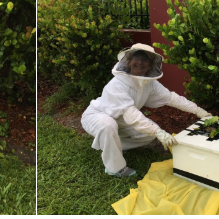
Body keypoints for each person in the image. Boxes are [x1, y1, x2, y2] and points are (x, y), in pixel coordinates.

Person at [81, 43, 211, 177]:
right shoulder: (117, 84)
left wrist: (198, 111)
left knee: (148, 135)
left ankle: (114, 146)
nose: (140, 62)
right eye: (136, 58)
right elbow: (130, 113)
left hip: (121, 120)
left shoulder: (150, 83)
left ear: (151, 65)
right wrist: (158, 131)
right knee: (109, 125)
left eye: (145, 60)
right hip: (98, 116)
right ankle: (115, 169)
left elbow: (171, 98)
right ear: (129, 61)